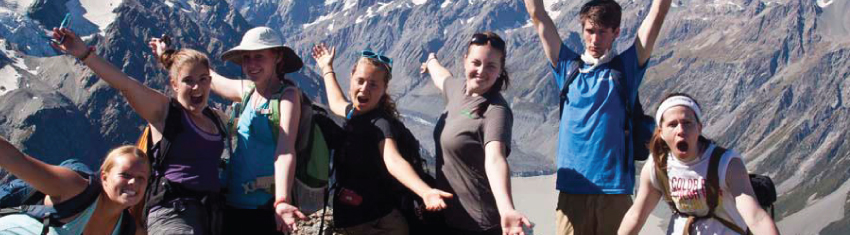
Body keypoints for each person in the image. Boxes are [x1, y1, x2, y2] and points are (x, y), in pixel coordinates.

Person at [53, 27, 227, 235]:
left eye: (203, 79)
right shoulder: (165, 112)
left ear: (210, 82)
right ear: (174, 84)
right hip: (173, 212)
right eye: (188, 80)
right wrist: (84, 53)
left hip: (211, 214)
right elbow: (126, 84)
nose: (197, 87)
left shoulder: (216, 118)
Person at [523, 0, 673, 233]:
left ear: (616, 33)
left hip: (614, 191)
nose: (595, 39)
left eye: (602, 32)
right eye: (590, 31)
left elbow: (657, 14)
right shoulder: (566, 67)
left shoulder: (626, 68)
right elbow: (538, 15)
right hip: (573, 188)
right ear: (582, 30)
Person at [310, 44, 453, 234]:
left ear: (384, 89)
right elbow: (337, 103)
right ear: (351, 78)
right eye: (360, 80)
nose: (364, 88)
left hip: (379, 223)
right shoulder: (355, 113)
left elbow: (394, 161)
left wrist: (425, 191)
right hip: (365, 216)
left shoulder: (381, 124)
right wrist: (327, 67)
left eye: (373, 84)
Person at [617, 93, 780, 235]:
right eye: (672, 124)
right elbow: (636, 216)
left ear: (699, 128)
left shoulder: (727, 164)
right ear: (661, 132)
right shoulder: (657, 167)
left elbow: (756, 218)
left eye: (687, 123)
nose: (681, 130)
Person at [420, 31, 531, 235]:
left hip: (478, 226)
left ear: (500, 70)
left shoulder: (496, 111)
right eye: (476, 63)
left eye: (491, 66)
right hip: (449, 217)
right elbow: (441, 76)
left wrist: (506, 208)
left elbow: (495, 159)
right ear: (465, 61)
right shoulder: (457, 89)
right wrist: (431, 61)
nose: (481, 71)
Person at [197, 26, 305, 234]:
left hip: (264, 207)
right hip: (231, 202)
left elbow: (285, 150)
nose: (251, 64)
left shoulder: (287, 96)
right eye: (246, 57)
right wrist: (169, 56)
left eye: (259, 56)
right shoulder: (247, 91)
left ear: (277, 57)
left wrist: (282, 200)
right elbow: (209, 77)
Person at [0, 137, 149, 235]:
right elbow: (14, 159)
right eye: (125, 175)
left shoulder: (129, 230)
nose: (133, 182)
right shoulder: (74, 188)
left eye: (141, 178)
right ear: (104, 177)